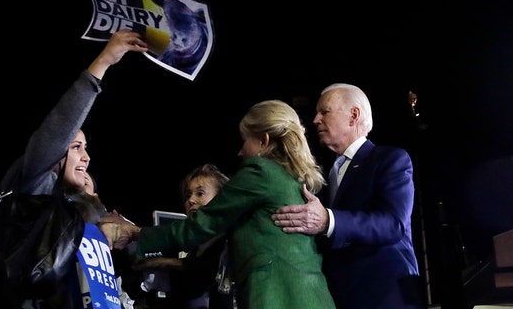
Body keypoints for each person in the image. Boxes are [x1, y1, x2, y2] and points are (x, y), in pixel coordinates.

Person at [132, 100, 336, 309]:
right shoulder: (294, 178)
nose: (240, 152)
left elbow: (200, 226)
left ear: (264, 141)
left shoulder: (261, 171)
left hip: (278, 297)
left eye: (244, 141)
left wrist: (136, 234)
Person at [0, 29, 146, 309]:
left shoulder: (88, 218)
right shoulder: (34, 190)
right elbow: (54, 134)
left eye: (85, 148)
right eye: (75, 147)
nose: (86, 157)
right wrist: (102, 63)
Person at [271, 83, 426, 309]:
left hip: (385, 296)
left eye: (325, 111)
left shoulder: (390, 159)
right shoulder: (321, 176)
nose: (315, 120)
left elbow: (393, 224)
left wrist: (328, 220)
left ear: (354, 115)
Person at [127, 163, 235, 309]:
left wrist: (162, 262)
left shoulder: (232, 236)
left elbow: (205, 268)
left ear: (221, 198)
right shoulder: (195, 247)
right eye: (188, 195)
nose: (191, 200)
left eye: (200, 193)